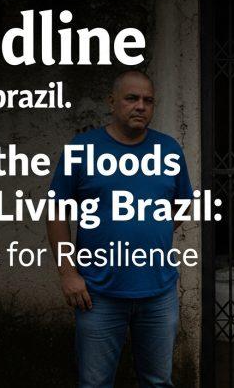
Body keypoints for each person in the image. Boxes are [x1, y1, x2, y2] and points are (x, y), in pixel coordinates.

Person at [46, 70, 193, 388]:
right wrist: (68, 274)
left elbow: (182, 204)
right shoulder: (82, 149)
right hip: (98, 294)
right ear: (111, 102)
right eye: (132, 98)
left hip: (158, 293)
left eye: (148, 100)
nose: (141, 106)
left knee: (157, 382)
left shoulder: (168, 150)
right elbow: (56, 212)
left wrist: (149, 226)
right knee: (95, 383)